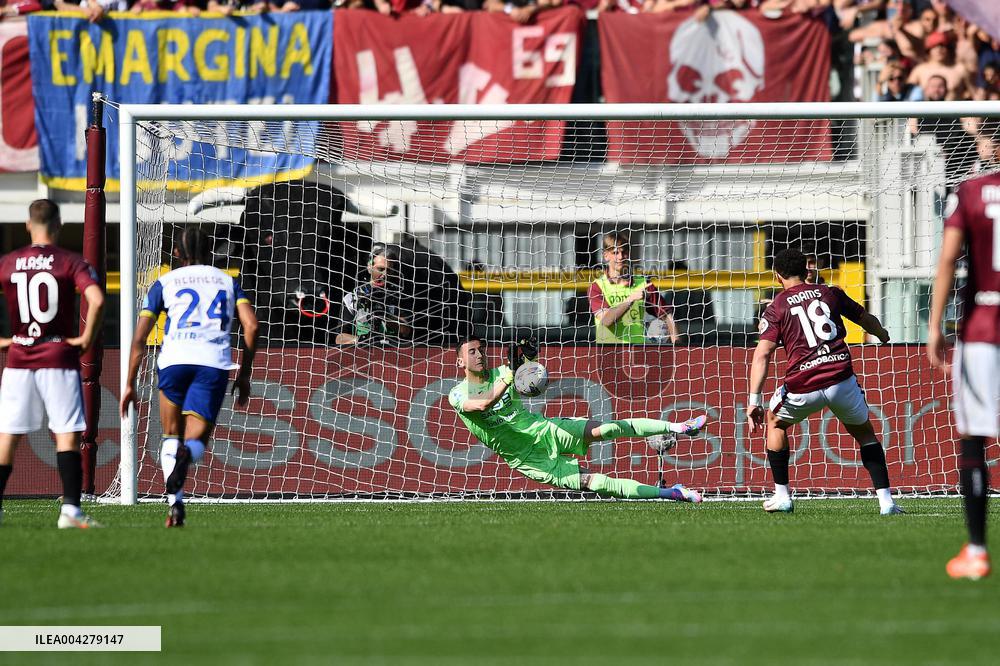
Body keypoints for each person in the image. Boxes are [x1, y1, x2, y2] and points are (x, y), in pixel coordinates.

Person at [449, 335, 707, 501]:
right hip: (528, 459)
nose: (479, 355)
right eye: (471, 352)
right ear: (460, 362)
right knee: (596, 483)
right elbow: (482, 404)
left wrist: (530, 356)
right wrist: (510, 375)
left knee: (607, 428)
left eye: (481, 349)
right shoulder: (458, 394)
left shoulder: (502, 372)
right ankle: (673, 493)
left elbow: (532, 379)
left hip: (545, 429)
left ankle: (681, 426)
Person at [745, 248, 903, 515]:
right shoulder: (830, 292)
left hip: (803, 384)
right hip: (840, 378)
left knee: (774, 421)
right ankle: (887, 503)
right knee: (865, 434)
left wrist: (753, 401)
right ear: (807, 271)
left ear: (776, 275)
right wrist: (882, 334)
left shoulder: (776, 307)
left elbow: (763, 353)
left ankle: (782, 496)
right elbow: (864, 318)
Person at [121, 227, 259, 527]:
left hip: (174, 360)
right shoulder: (228, 281)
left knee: (171, 434)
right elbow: (251, 325)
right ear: (211, 250)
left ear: (176, 253)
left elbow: (139, 339)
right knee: (196, 439)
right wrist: (244, 374)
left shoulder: (164, 283)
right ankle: (186, 456)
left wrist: (129, 383)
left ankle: (175, 505)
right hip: (212, 362)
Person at [0, 200, 105, 528]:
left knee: (8, 438)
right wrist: (86, 338)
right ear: (58, 225)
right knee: (66, 433)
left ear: (28, 225)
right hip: (57, 356)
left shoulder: (8, 262)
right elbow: (98, 299)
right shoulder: (69, 261)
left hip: (19, 358)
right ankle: (70, 511)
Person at [926, 130, 999, 580]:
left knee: (973, 435)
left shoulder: (970, 192)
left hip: (983, 331)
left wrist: (935, 324)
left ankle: (976, 551)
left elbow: (949, 260)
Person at [588, 231, 680, 344]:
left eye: (624, 252)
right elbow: (606, 321)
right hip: (608, 352)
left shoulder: (643, 283)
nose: (621, 257)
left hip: (637, 352)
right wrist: (630, 299)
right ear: (606, 255)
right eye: (615, 252)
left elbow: (667, 315)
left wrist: (677, 345)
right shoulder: (597, 286)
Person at [336, 244, 413, 346]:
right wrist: (362, 341)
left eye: (389, 270)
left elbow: (406, 331)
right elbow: (339, 338)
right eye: (380, 269)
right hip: (362, 355)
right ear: (369, 267)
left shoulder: (399, 297)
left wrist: (383, 315)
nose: (385, 274)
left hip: (392, 353)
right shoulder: (352, 298)